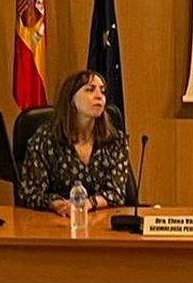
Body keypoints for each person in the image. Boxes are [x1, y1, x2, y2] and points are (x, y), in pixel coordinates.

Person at [19, 69, 132, 214]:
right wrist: (56, 204)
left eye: (103, 91)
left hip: (102, 224)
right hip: (55, 224)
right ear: (71, 99)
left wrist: (89, 203)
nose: (100, 96)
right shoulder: (45, 139)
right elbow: (31, 192)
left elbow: (116, 193)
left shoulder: (116, 141)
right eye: (90, 90)